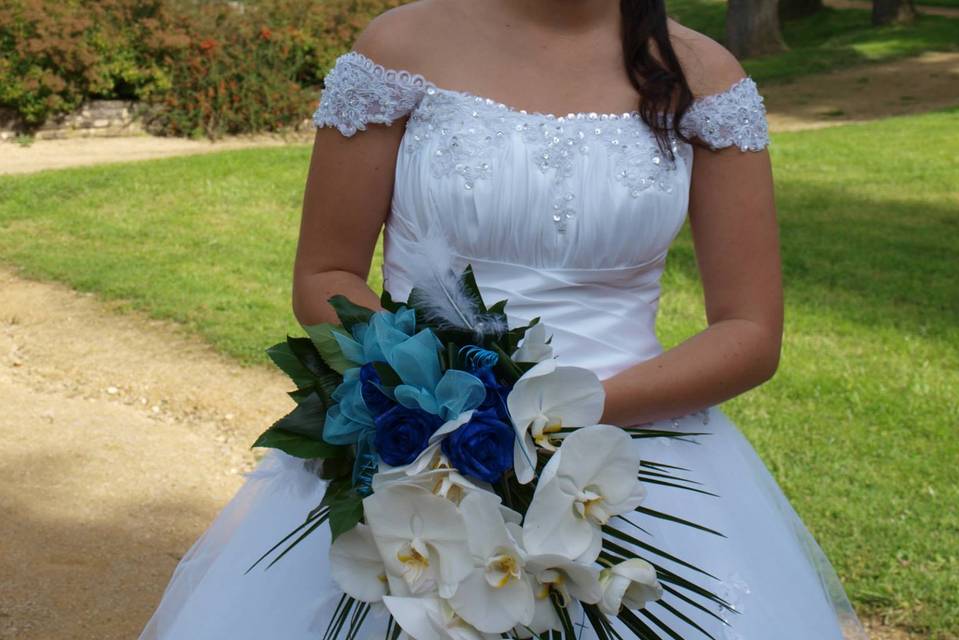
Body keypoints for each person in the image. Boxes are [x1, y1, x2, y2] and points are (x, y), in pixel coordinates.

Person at [140, 1, 869, 638]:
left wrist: (546, 426)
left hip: (634, 452)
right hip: (421, 447)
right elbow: (325, 275)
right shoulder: (400, 49)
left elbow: (748, 332)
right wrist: (445, 404)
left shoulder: (705, 80)